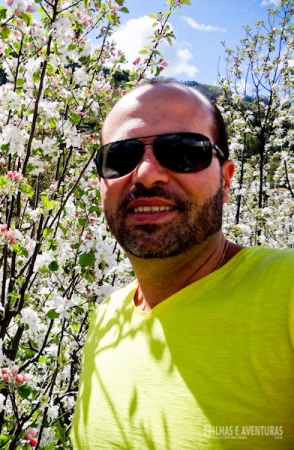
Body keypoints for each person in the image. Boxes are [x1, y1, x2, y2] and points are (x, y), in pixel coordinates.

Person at [70, 81, 294, 449]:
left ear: (225, 179)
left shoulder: (287, 291)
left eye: (184, 152)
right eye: (120, 157)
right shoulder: (106, 319)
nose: (145, 173)